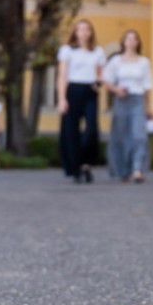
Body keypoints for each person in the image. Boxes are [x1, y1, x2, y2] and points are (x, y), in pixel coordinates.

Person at [56, 19, 104, 183]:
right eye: (80, 29)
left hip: (90, 91)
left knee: (91, 128)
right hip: (72, 90)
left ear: (91, 33)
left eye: (87, 29)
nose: (83, 32)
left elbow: (100, 72)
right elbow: (62, 76)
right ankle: (75, 167)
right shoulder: (67, 50)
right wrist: (62, 99)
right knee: (71, 131)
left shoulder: (97, 51)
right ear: (75, 32)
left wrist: (98, 82)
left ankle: (86, 163)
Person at [103, 29, 152, 183]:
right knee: (121, 136)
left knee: (139, 135)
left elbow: (147, 86)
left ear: (138, 42)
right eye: (128, 39)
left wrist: (148, 107)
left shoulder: (144, 62)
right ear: (123, 42)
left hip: (137, 99)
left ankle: (137, 169)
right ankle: (123, 170)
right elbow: (106, 80)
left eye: (134, 39)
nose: (131, 41)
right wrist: (116, 89)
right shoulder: (116, 61)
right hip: (121, 100)